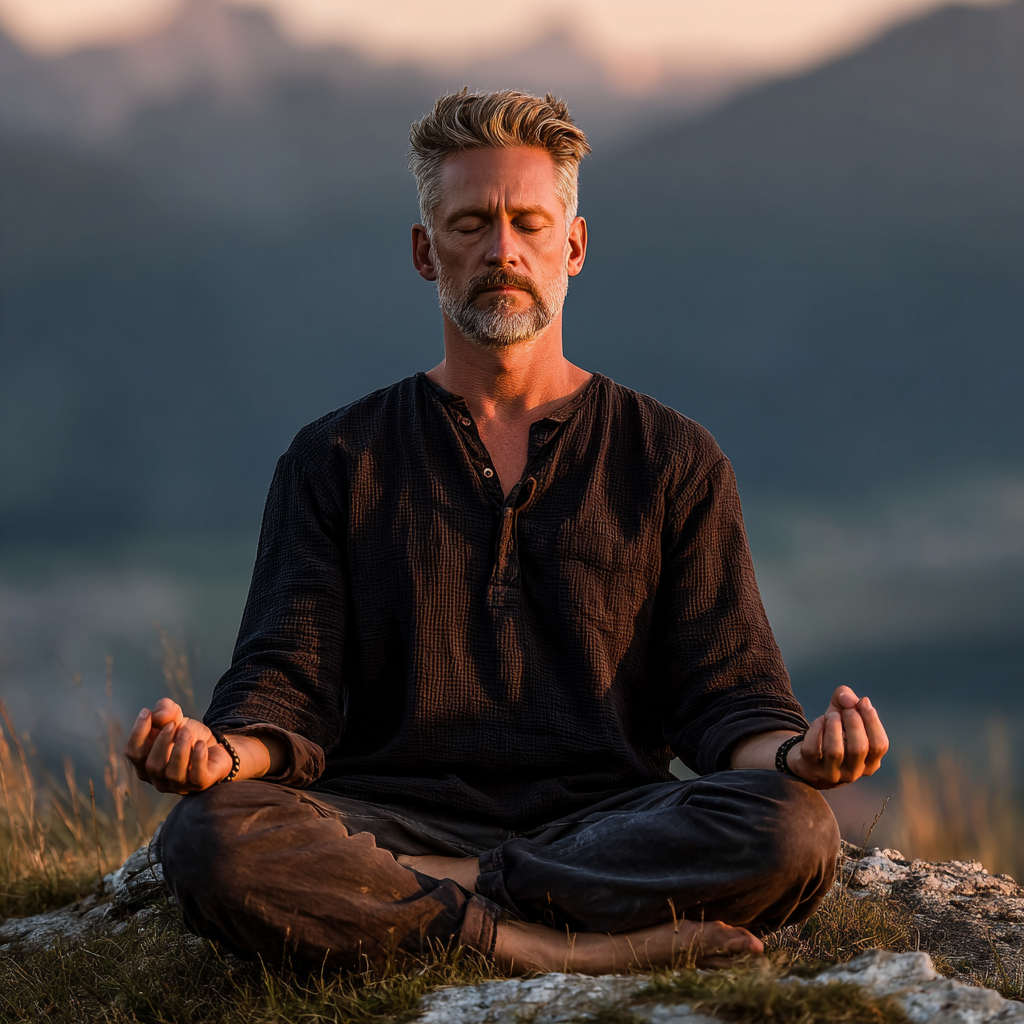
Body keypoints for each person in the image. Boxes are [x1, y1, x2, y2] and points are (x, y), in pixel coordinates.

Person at [126, 89, 888, 975]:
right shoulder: (335, 456)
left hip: (608, 818)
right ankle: (558, 949)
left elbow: (727, 699)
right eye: (470, 225)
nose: (501, 250)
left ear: (575, 244)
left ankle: (442, 901)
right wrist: (218, 752)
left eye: (529, 223)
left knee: (790, 826)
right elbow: (284, 685)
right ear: (425, 251)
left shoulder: (672, 456)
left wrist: (802, 755)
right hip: (384, 817)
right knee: (209, 836)